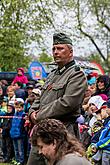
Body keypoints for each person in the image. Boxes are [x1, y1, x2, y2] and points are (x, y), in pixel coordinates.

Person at [27, 32, 87, 165]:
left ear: (70, 52)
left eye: (60, 48)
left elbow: (68, 103)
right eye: (54, 49)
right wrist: (31, 112)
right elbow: (40, 98)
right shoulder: (53, 74)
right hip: (42, 132)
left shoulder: (76, 75)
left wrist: (40, 115)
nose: (55, 52)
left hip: (63, 133)